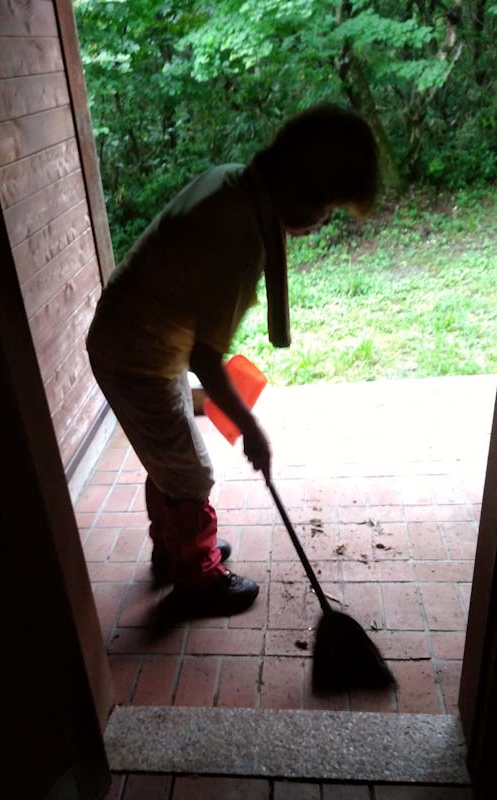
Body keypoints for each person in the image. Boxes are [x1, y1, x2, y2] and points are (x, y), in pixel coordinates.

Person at [86, 103, 379, 615]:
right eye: (328, 209)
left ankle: (175, 547)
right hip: (137, 355)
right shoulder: (239, 238)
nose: (323, 221)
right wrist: (251, 429)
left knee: (171, 459)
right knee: (190, 473)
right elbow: (206, 358)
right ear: (303, 193)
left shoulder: (231, 182)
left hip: (139, 338)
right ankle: (197, 577)